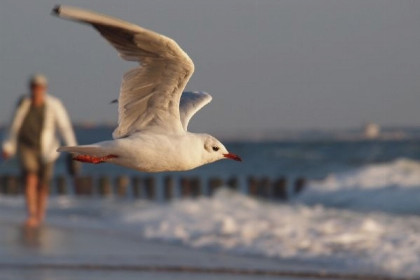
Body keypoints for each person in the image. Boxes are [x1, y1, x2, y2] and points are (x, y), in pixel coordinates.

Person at [2, 74, 77, 227]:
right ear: (30, 88)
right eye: (34, 87)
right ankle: (31, 214)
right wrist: (8, 146)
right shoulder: (23, 104)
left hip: (48, 149)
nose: (36, 90)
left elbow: (64, 127)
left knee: (43, 184)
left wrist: (72, 148)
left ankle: (40, 214)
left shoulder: (53, 105)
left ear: (44, 89)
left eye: (39, 88)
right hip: (26, 147)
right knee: (30, 178)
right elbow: (13, 126)